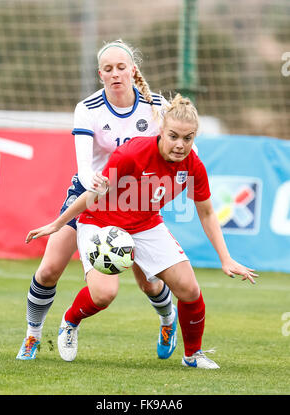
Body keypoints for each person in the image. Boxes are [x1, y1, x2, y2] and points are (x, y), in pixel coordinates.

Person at [26, 93, 258, 369]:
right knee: (103, 294)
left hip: (146, 223)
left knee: (189, 288)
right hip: (101, 222)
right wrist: (57, 224)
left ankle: (192, 355)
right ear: (161, 130)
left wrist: (225, 258)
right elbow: (93, 194)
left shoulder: (193, 165)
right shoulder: (132, 153)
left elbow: (207, 213)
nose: (180, 145)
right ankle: (70, 322)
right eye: (173, 136)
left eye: (188, 138)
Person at [16, 40, 197, 360]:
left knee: (149, 282)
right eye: (108, 69)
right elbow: (85, 167)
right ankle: (32, 336)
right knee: (48, 270)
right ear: (101, 74)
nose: (116, 74)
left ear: (133, 70)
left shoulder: (155, 106)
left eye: (122, 67)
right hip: (92, 197)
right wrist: (95, 186)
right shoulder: (88, 108)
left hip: (136, 202)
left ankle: (167, 319)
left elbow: (181, 150)